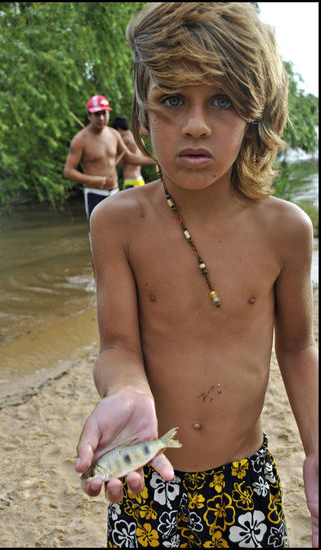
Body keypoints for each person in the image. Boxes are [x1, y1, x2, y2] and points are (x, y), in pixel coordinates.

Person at [75, 3, 318, 548]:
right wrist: (126, 387)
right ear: (142, 113)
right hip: (147, 477)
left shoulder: (287, 230)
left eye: (223, 100)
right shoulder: (116, 221)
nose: (196, 124)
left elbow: (299, 348)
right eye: (173, 99)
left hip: (245, 482)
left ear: (256, 112)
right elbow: (117, 345)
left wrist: (316, 449)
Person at [64, 95, 155, 221]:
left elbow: (128, 157)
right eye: (97, 114)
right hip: (95, 194)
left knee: (120, 231)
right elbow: (68, 171)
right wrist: (93, 180)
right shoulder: (80, 140)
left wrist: (155, 160)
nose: (101, 118)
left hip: (115, 192)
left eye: (104, 113)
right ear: (89, 115)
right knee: (98, 235)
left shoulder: (114, 134)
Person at [112, 115, 147, 190]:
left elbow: (118, 163)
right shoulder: (139, 139)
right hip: (139, 179)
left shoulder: (125, 141)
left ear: (118, 129)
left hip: (131, 181)